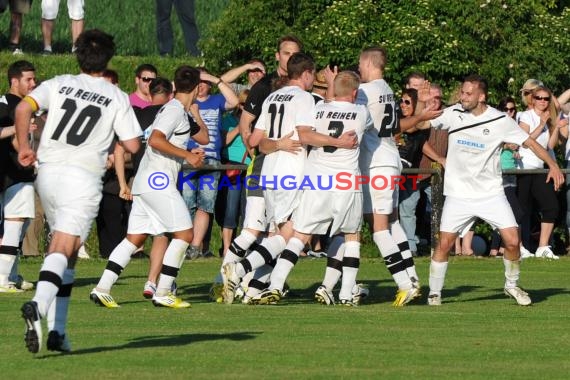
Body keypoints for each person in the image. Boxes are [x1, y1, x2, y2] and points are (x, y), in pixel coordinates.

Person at [17, 29, 142, 354]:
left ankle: (58, 332)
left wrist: (23, 147)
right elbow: (131, 144)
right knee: (64, 244)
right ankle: (39, 306)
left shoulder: (58, 83)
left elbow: (22, 110)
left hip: (47, 172)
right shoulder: (115, 96)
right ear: (109, 58)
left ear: (78, 54)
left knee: (68, 253)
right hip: (81, 177)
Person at [417, 74, 564, 306]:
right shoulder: (453, 113)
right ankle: (434, 293)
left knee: (513, 241)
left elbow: (531, 143)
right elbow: (421, 124)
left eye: (468, 93)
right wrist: (420, 104)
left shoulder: (500, 120)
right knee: (444, 243)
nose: (462, 97)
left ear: (481, 96)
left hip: (490, 194)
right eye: (462, 93)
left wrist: (553, 164)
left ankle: (512, 285)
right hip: (458, 194)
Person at [222, 53, 357, 305]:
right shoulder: (304, 98)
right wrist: (337, 141)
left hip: (269, 173)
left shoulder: (273, 96)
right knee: (291, 235)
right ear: (306, 74)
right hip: (291, 173)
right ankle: (239, 270)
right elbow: (305, 135)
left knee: (279, 234)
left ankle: (253, 289)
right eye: (311, 76)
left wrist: (277, 143)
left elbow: (255, 141)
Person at [90, 65, 206, 309]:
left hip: (146, 180)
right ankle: (164, 291)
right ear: (196, 89)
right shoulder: (174, 110)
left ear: (175, 86)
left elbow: (160, 142)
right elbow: (155, 140)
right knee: (185, 234)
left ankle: (102, 288)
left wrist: (185, 153)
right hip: (158, 181)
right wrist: (187, 155)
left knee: (134, 238)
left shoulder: (175, 110)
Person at [356, 47, 424, 306]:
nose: (359, 69)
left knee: (379, 229)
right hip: (390, 159)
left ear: (369, 62)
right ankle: (413, 278)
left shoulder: (366, 91)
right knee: (393, 224)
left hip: (376, 164)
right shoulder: (386, 88)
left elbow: (357, 123)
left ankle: (405, 285)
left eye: (361, 64)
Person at [182, 68, 239, 258]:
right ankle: (184, 243)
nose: (200, 86)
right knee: (187, 202)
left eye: (203, 82)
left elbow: (235, 101)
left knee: (205, 204)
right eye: (197, 82)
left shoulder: (216, 100)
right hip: (188, 157)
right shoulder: (186, 101)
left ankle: (195, 247)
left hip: (212, 158)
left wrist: (215, 79)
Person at [0, 60, 37, 293]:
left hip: (17, 172)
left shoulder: (22, 104)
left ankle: (10, 274)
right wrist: (19, 129)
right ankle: (3, 278)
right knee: (15, 223)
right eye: (29, 79)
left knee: (20, 224)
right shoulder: (9, 104)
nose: (34, 83)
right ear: (15, 81)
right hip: (12, 171)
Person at [517, 85, 564, 259]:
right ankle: (519, 247)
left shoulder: (549, 118)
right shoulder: (525, 115)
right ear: (533, 99)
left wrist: (555, 125)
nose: (543, 102)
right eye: (539, 98)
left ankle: (542, 247)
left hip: (539, 169)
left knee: (551, 207)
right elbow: (523, 140)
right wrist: (542, 124)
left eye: (546, 99)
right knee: (520, 210)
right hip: (523, 169)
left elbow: (549, 146)